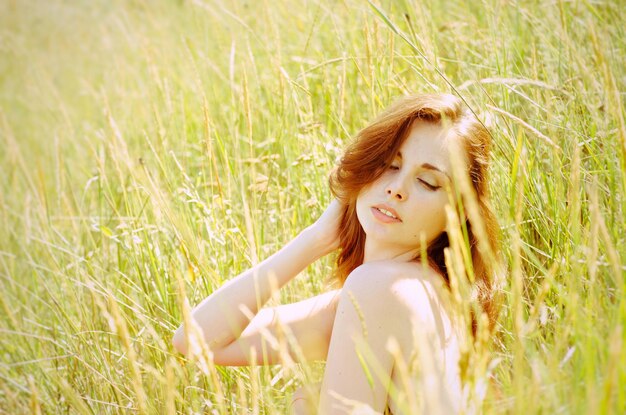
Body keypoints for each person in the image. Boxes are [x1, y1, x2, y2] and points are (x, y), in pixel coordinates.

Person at [172, 93, 501, 414]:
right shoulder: (417, 293)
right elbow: (195, 340)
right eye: (389, 164)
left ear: (458, 213)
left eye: (427, 182)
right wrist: (317, 237)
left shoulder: (381, 289)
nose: (396, 188)